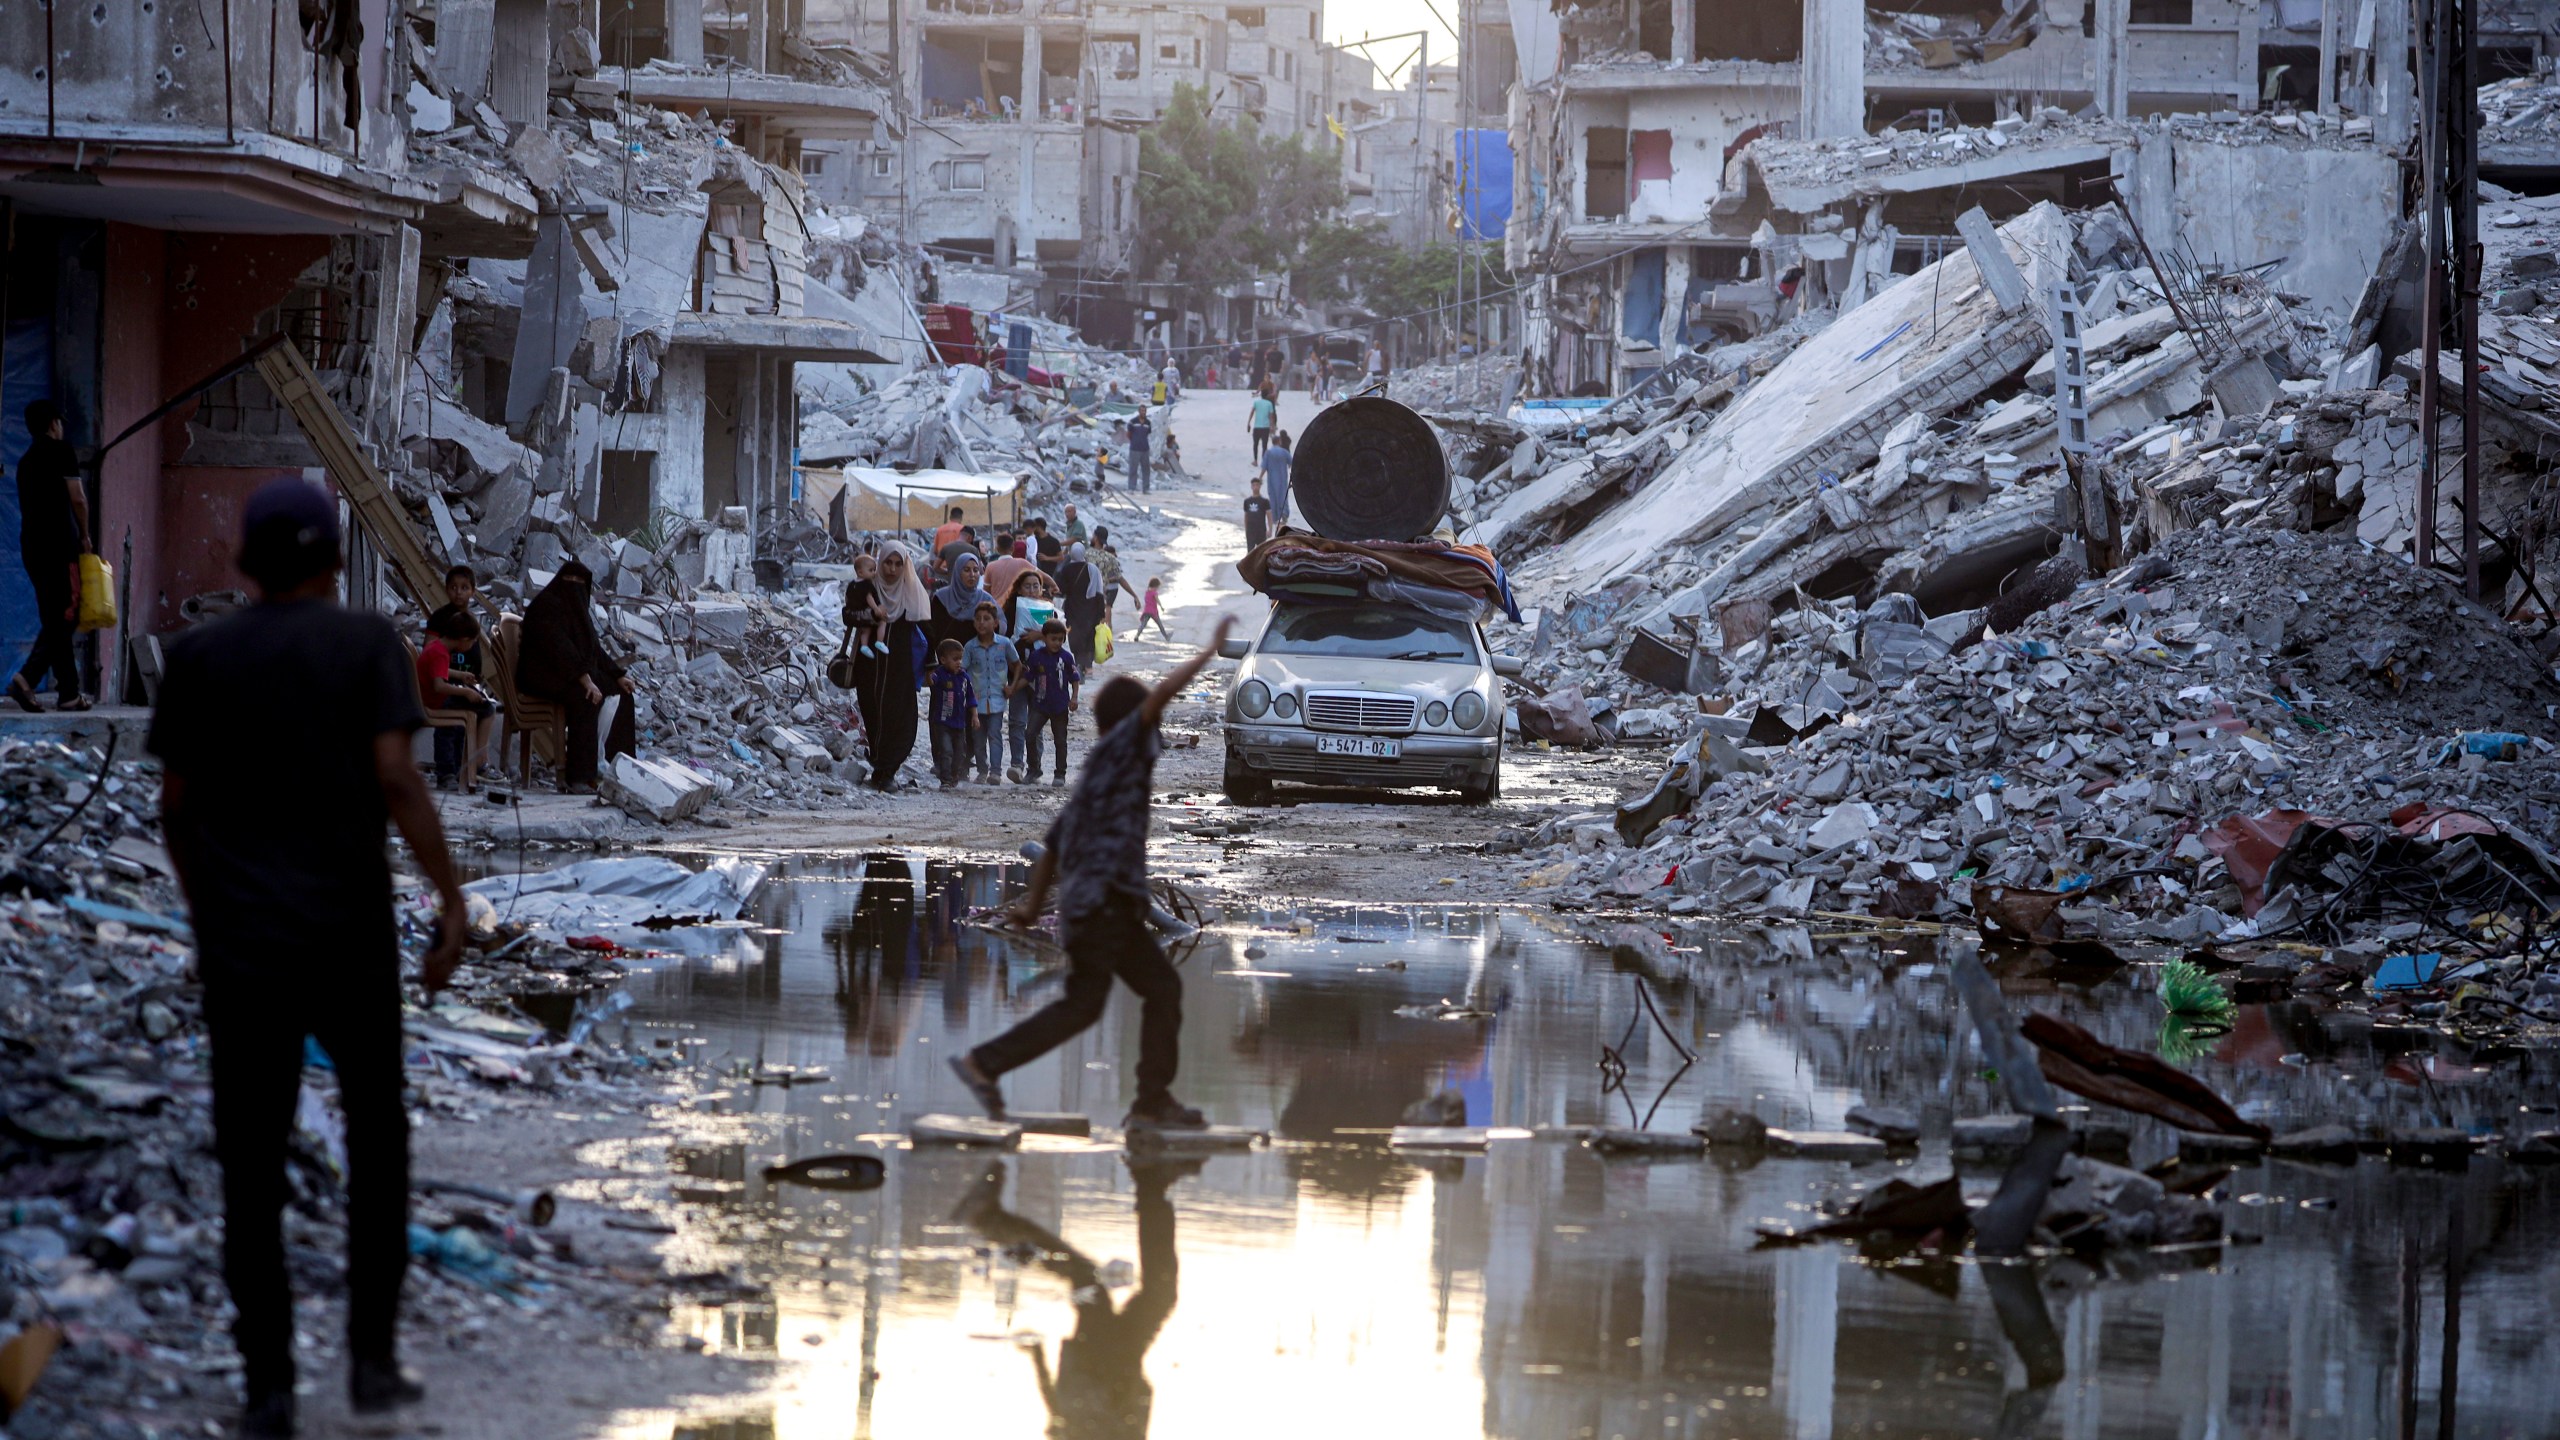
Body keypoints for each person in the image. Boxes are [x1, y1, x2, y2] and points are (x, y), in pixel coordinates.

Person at [149, 476, 467, 1439]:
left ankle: (269, 1390)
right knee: (377, 1145)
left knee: (251, 1162)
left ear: (245, 564)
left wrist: (209, 923)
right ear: (334, 563)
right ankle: (370, 1366)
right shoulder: (366, 643)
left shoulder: (199, 656)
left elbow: (175, 806)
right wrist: (453, 902)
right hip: (349, 942)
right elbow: (397, 780)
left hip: (246, 946)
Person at [948, 616, 1239, 1129]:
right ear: (1134, 725)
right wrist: (1208, 652)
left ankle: (984, 1064)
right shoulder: (1125, 752)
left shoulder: (1097, 770)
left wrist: (1032, 908)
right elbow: (1159, 699)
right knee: (1160, 990)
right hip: (1106, 905)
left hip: (1090, 908)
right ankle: (1150, 1104)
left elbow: (1055, 844)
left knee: (1089, 1004)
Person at [955, 1158, 1188, 1440]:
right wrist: (1038, 1358)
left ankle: (989, 1220)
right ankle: (1152, 1190)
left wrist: (1039, 1358)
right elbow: (1057, 1416)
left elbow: (1059, 1419)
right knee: (1153, 1293)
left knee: (1099, 1282)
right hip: (1114, 1369)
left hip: (1102, 1370)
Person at [515, 560, 635, 791]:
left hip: (570, 674)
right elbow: (560, 649)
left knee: (622, 694)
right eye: (570, 582)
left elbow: (593, 649)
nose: (575, 587)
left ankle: (621, 770)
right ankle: (579, 776)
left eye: (580, 584)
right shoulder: (546, 607)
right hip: (542, 675)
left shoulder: (578, 612)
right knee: (586, 696)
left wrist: (617, 675)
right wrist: (586, 680)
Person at [8, 399, 91, 713]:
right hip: (60, 546)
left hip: (32, 548)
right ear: (54, 423)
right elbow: (78, 500)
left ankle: (64, 691)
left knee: (55, 618)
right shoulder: (62, 451)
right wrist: (84, 535)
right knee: (68, 614)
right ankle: (33, 680)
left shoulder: (26, 461)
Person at [854, 541, 931, 791]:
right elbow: (848, 613)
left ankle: (889, 769)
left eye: (898, 564)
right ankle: (879, 768)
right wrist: (872, 615)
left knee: (902, 719)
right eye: (887, 562)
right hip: (870, 667)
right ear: (880, 561)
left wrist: (930, 667)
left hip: (900, 669)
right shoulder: (868, 588)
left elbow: (927, 630)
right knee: (874, 713)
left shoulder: (911, 592)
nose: (892, 569)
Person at [416, 609, 496, 791]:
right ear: (465, 640)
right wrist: (465, 693)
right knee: (487, 710)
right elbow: (439, 685)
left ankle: (458, 770)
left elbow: (437, 671)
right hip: (436, 701)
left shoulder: (436, 646)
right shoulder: (441, 653)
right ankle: (478, 761)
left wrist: (460, 675)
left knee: (458, 727)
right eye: (474, 642)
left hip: (433, 698)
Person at [1002, 571, 1061, 782]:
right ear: (1019, 589)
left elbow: (1059, 640)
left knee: (1036, 722)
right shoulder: (1010, 611)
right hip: (1017, 673)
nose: (1033, 590)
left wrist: (1040, 636)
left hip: (1041, 677)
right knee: (1017, 720)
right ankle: (1017, 763)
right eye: (1028, 586)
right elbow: (1002, 638)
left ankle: (1034, 767)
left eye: (1036, 586)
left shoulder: (1048, 611)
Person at [961, 602, 1019, 784]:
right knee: (978, 739)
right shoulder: (970, 647)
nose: (981, 623)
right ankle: (982, 770)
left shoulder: (1004, 644)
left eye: (986, 619)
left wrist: (1012, 686)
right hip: (976, 702)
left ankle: (995, 772)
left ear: (995, 623)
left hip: (997, 699)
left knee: (995, 734)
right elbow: (962, 670)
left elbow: (1017, 665)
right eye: (978, 619)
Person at [1016, 618, 1081, 782]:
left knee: (1060, 740)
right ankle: (1034, 769)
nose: (1057, 643)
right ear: (1044, 638)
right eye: (1053, 639)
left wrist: (1074, 698)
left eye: (1060, 639)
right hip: (1040, 704)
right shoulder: (1036, 657)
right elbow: (1028, 677)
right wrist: (1012, 689)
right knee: (1030, 734)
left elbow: (1074, 678)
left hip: (1060, 706)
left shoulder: (1066, 657)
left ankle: (1060, 773)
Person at [928, 637, 975, 790]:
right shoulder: (940, 675)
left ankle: (954, 775)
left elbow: (971, 697)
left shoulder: (964, 677)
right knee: (946, 750)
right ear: (942, 659)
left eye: (960, 659)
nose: (959, 662)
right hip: (942, 722)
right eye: (955, 659)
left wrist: (974, 715)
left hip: (960, 723)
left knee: (960, 753)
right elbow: (930, 681)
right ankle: (945, 780)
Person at [931, 551, 997, 657]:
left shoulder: (985, 599)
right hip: (946, 660)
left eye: (976, 570)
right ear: (957, 572)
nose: (972, 575)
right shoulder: (942, 597)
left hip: (977, 659)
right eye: (966, 570)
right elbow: (933, 631)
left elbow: (999, 625)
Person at [1056, 543, 1106, 671]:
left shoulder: (1066, 569)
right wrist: (1102, 614)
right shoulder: (1092, 569)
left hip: (1073, 608)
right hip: (1092, 609)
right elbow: (1099, 592)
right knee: (1090, 635)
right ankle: (1088, 666)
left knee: (1075, 635)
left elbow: (1061, 590)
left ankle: (1079, 663)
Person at [841, 550, 889, 658]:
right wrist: (876, 609)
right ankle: (880, 641)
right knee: (883, 621)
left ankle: (864, 646)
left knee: (865, 629)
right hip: (865, 613)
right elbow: (869, 598)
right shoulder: (867, 584)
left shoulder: (852, 584)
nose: (874, 573)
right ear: (860, 572)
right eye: (871, 570)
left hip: (852, 614)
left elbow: (847, 598)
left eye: (874, 570)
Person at [1260, 429, 1294, 529]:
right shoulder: (1284, 452)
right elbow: (1292, 463)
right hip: (1282, 478)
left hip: (1271, 480)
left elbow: (1264, 467)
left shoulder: (1268, 453)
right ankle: (1284, 514)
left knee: (1273, 496)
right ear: (1279, 442)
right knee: (1283, 496)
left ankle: (1275, 517)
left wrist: (1260, 477)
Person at [1125, 406, 1153, 495]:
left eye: (1144, 411)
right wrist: (1134, 441)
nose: (1143, 412)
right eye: (1141, 411)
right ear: (1138, 411)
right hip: (1135, 449)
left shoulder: (1148, 423)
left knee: (1146, 469)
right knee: (1133, 469)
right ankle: (1131, 488)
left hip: (1145, 449)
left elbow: (1148, 433)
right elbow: (1128, 434)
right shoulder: (1132, 422)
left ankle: (1146, 489)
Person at [1242, 475, 1273, 550]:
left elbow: (1269, 516)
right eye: (1253, 485)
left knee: (1261, 552)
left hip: (1261, 531)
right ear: (1251, 487)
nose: (1255, 487)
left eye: (1257, 485)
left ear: (1260, 486)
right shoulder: (1247, 501)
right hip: (1250, 531)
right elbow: (1246, 516)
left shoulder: (1265, 501)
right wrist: (1246, 530)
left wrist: (1270, 530)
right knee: (1250, 553)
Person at [1248, 387, 1276, 464]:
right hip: (1265, 427)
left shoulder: (1256, 403)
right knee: (1264, 445)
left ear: (1261, 395)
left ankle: (1255, 460)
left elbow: (1252, 413)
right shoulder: (1269, 404)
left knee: (1255, 444)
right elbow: (1271, 416)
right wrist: (1272, 426)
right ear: (1267, 396)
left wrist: (1249, 423)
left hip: (1257, 426)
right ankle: (1264, 461)